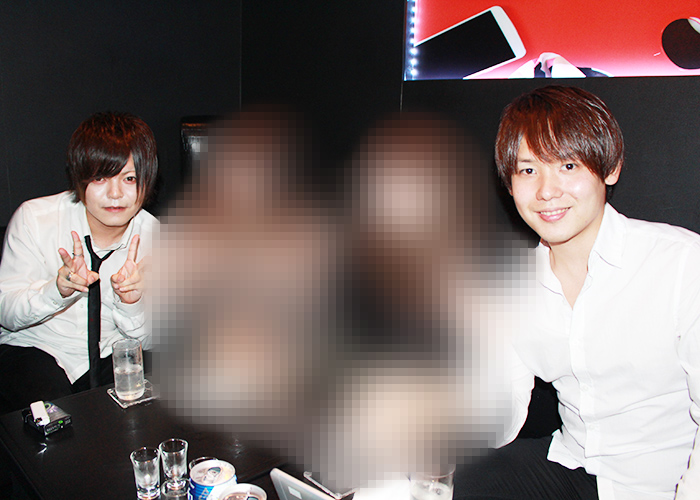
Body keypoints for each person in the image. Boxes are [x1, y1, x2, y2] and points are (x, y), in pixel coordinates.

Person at [453, 86, 700, 499]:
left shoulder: (682, 264)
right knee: (442, 482)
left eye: (567, 165)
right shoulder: (508, 284)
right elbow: (497, 419)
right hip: (573, 466)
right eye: (527, 171)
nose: (547, 191)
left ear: (610, 168)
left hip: (667, 483)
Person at [0, 111, 159, 414]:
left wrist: (132, 303)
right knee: (54, 414)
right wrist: (55, 291)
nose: (115, 194)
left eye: (129, 178)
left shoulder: (155, 238)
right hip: (35, 348)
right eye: (100, 178)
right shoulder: (35, 219)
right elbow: (5, 311)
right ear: (79, 177)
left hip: (110, 354)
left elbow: (154, 340)